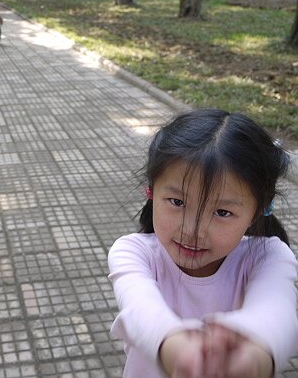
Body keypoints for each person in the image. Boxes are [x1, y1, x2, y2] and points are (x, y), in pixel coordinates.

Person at [108, 109, 298, 378]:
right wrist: (174, 346)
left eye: (222, 212)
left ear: (257, 212)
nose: (193, 231)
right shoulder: (134, 252)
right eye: (177, 202)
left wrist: (254, 351)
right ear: (151, 191)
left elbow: (277, 314)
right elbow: (139, 308)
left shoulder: (268, 256)